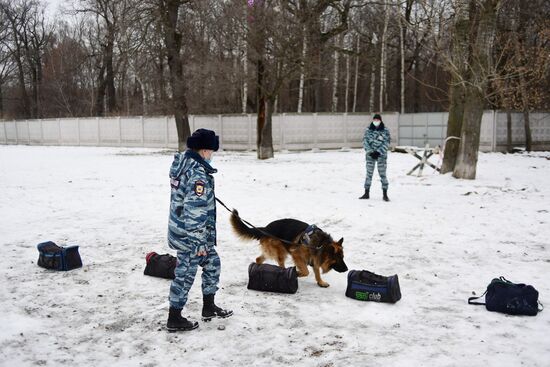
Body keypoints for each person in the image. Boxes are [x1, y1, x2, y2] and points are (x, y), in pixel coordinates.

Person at [166, 128, 232, 332]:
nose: (212, 156)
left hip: (191, 232)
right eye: (211, 151)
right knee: (185, 274)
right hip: (190, 236)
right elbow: (194, 209)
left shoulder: (188, 164)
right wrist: (198, 242)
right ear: (204, 150)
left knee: (213, 264)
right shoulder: (196, 172)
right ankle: (174, 317)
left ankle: (208, 307)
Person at [360, 114, 391, 201]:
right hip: (370, 156)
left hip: (381, 156)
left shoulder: (385, 130)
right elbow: (365, 141)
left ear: (380, 120)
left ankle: (385, 194)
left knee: (383, 175)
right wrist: (370, 152)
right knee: (368, 174)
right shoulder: (368, 130)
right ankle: (366, 193)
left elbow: (386, 143)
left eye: (377, 120)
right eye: (375, 119)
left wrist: (378, 152)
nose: (376, 121)